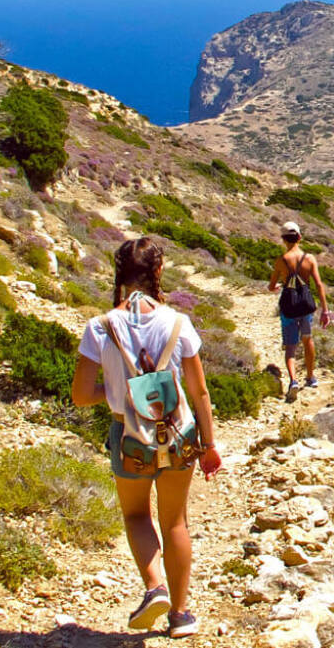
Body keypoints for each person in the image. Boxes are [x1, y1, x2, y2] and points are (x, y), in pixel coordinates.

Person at [70, 237, 222, 639]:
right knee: (176, 522)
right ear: (158, 273)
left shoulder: (100, 327)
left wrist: (121, 393)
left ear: (120, 273)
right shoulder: (178, 323)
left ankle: (154, 586)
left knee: (136, 515)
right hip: (178, 433)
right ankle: (180, 614)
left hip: (128, 435)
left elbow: (82, 395)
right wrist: (209, 446)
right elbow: (200, 392)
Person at [267, 221, 331, 397]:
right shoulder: (309, 259)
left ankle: (293, 381)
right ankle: (310, 378)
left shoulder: (281, 261)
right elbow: (318, 285)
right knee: (307, 340)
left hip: (288, 306)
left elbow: (271, 286)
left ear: (283, 239)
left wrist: (279, 286)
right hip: (305, 306)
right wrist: (325, 311)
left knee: (290, 347)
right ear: (299, 237)